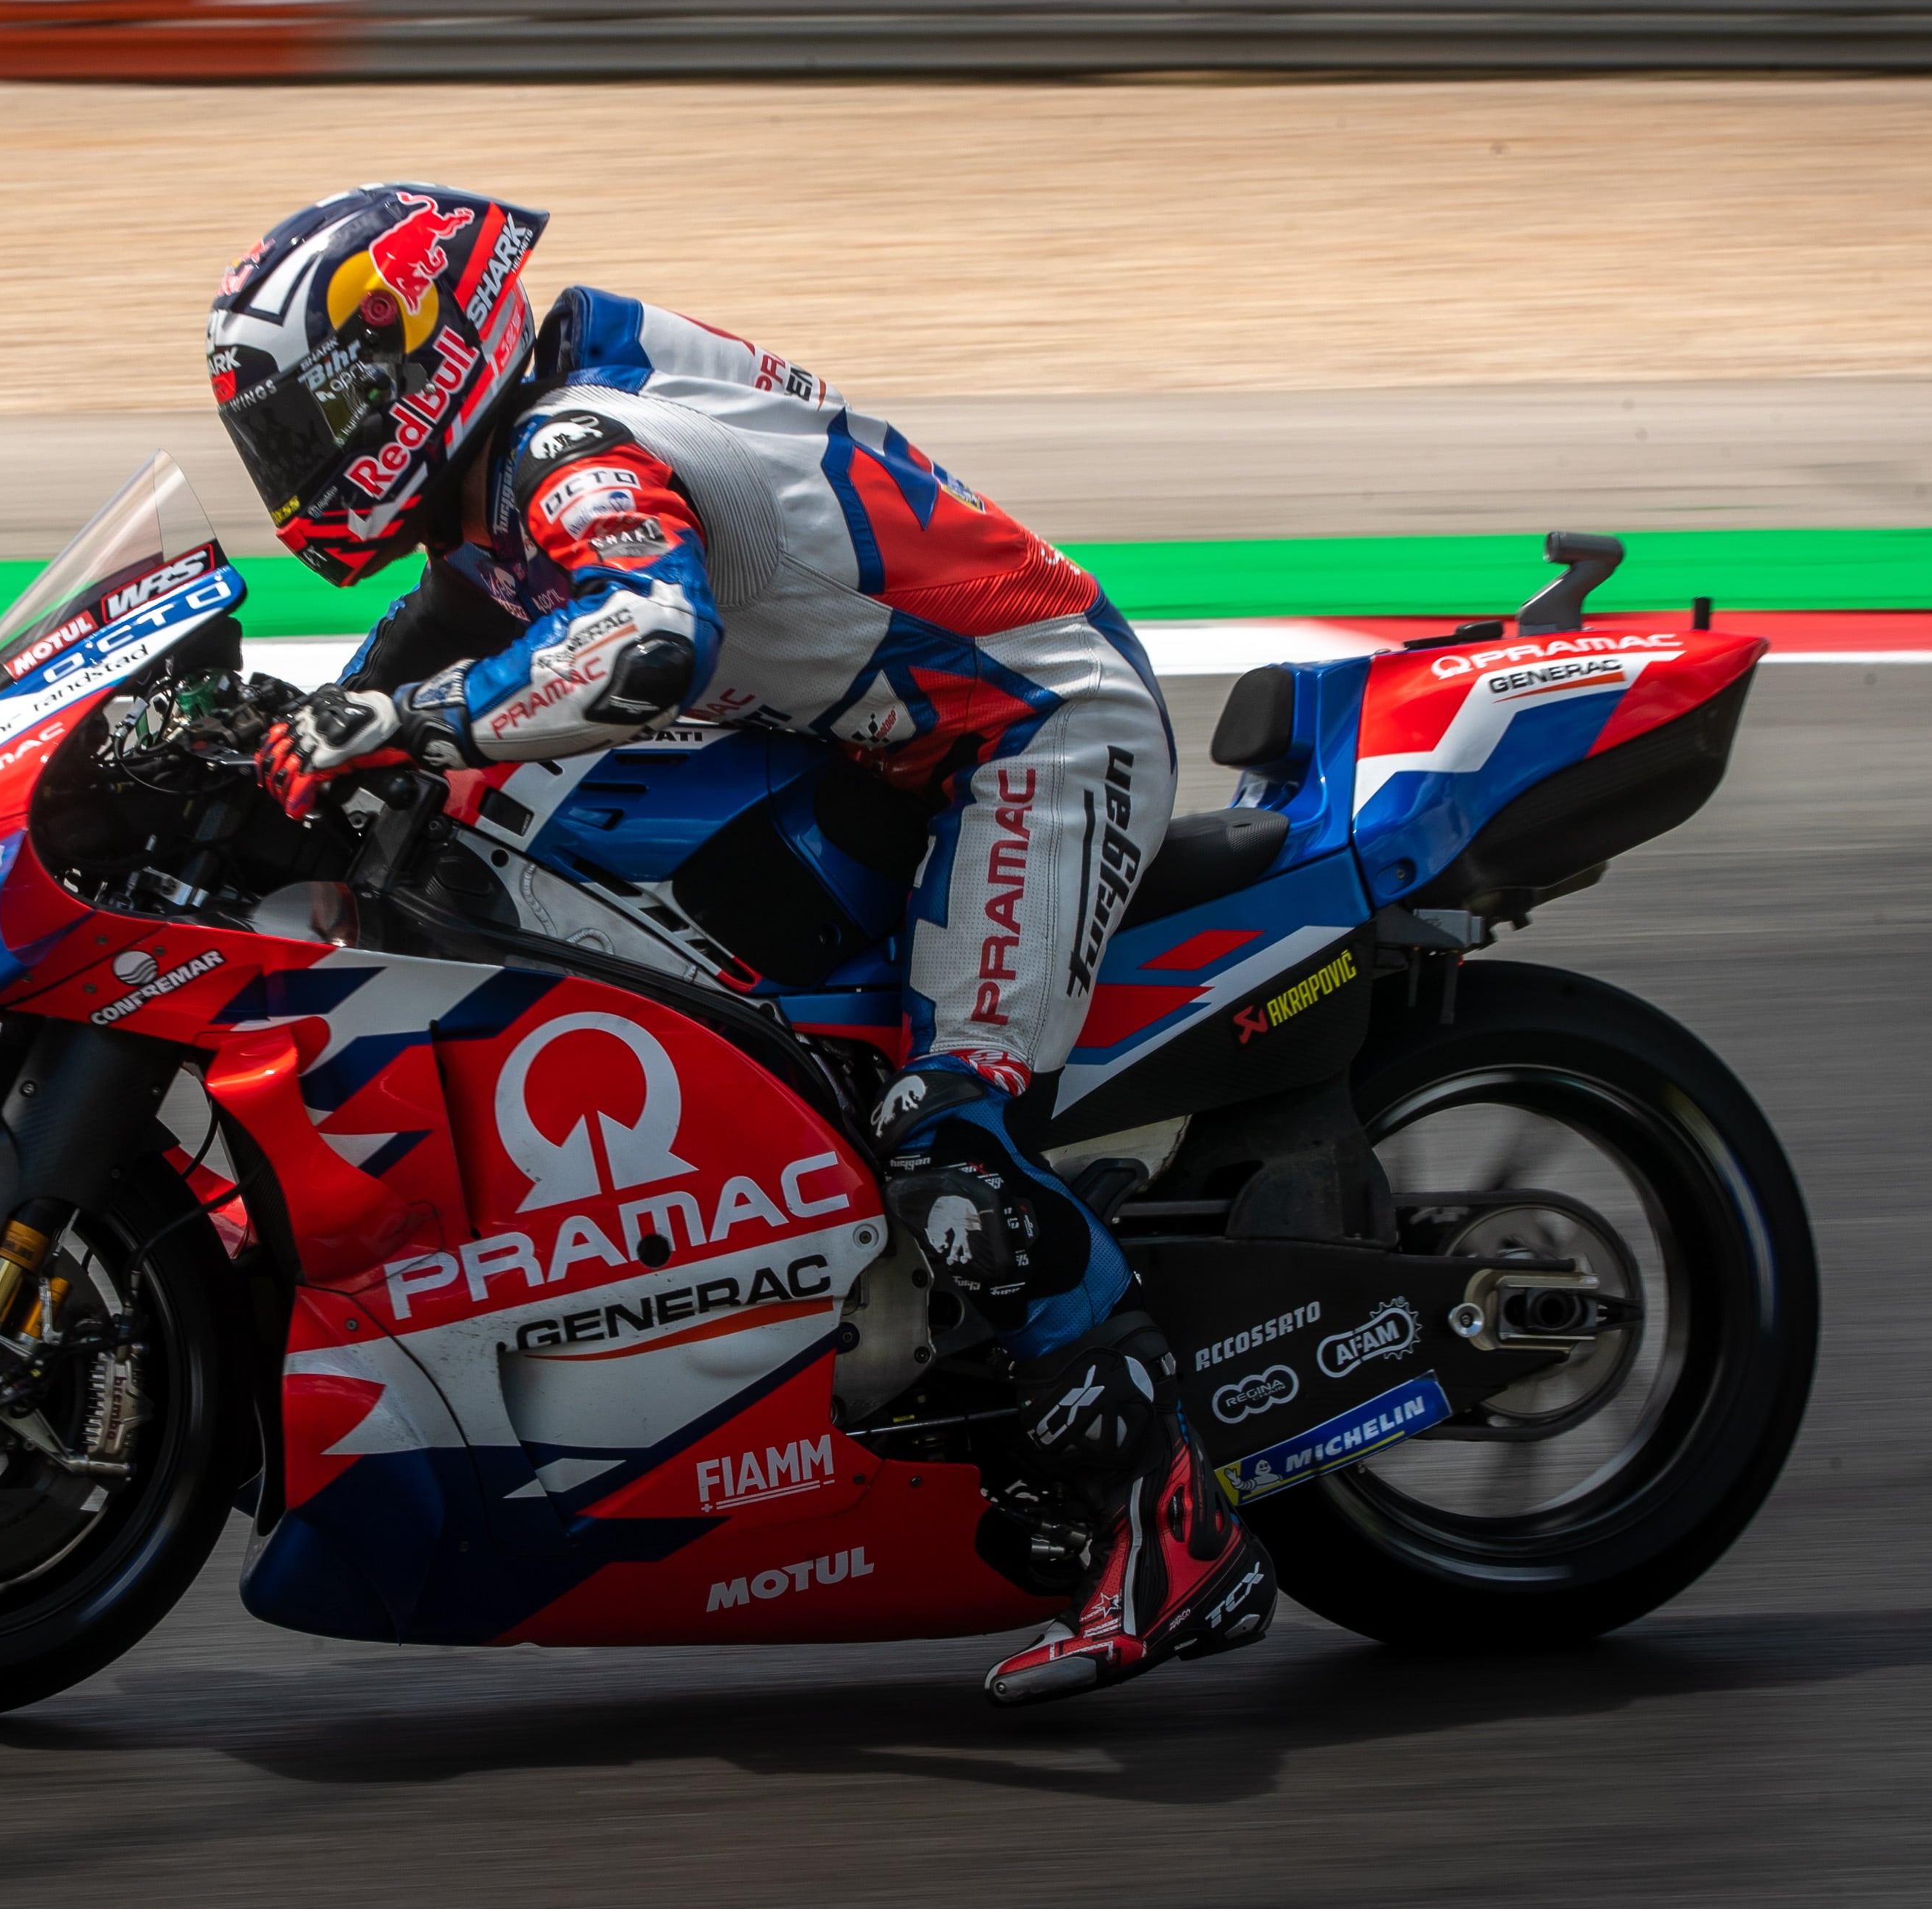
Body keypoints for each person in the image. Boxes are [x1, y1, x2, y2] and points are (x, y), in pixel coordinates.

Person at [204, 183, 1274, 1703]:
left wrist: (397, 720)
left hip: (1023, 732)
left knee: (945, 1129)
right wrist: (303, 733)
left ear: (408, 369)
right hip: (856, 734)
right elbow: (456, 619)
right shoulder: (523, 430)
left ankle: (1174, 1529)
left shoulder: (570, 451)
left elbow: (642, 634)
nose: (296, 462)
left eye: (310, 419)